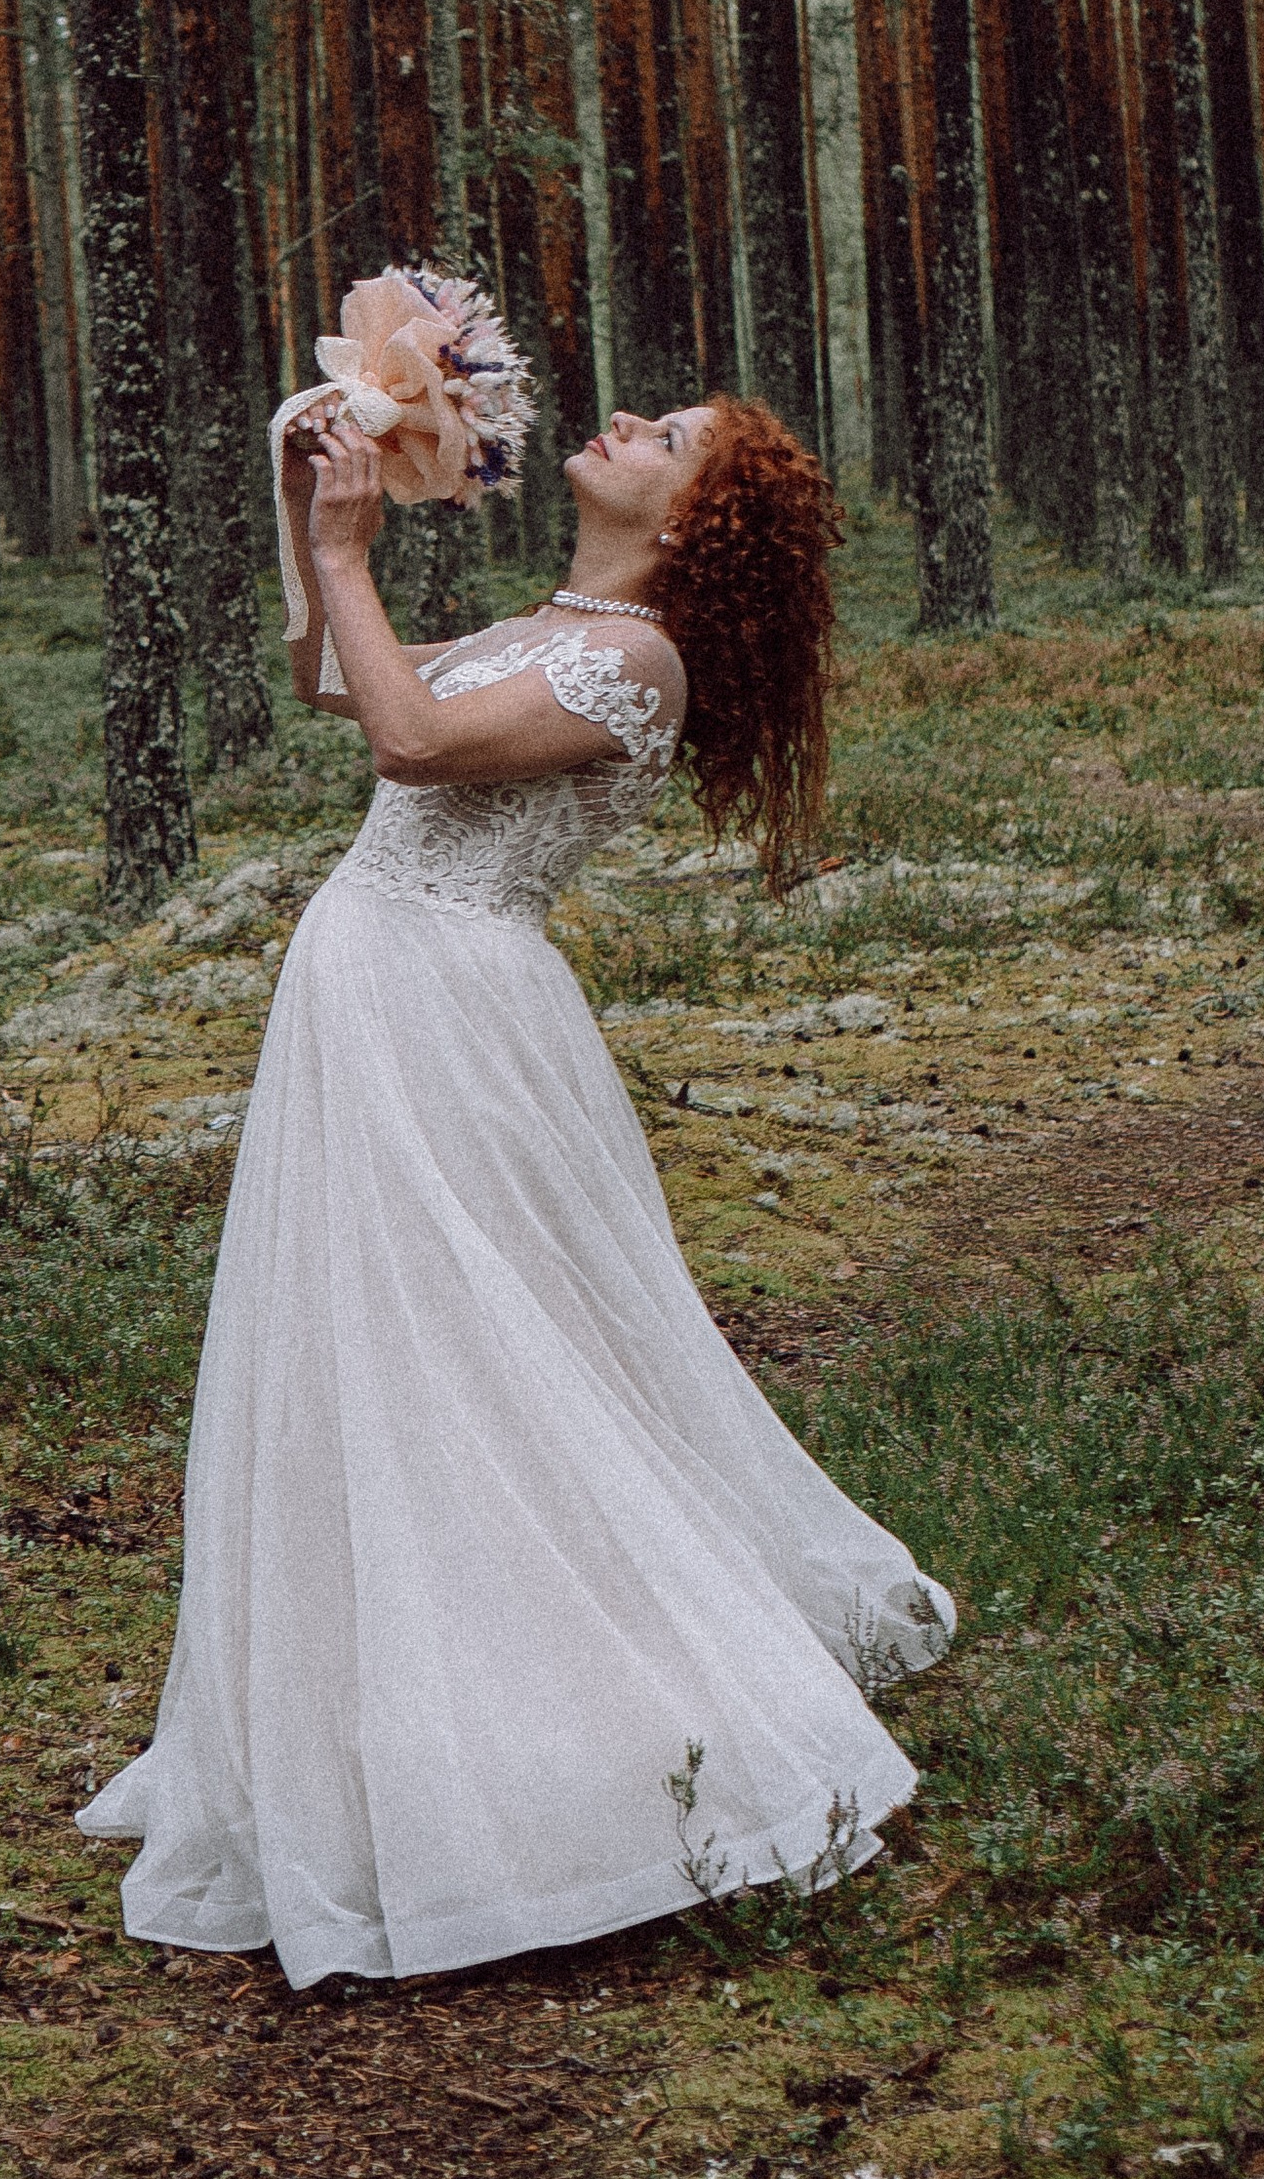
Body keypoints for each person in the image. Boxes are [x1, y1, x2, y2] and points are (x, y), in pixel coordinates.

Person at [78, 396, 954, 1989]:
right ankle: (404, 1712)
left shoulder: (639, 665)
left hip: (446, 1014)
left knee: (478, 1353)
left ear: (692, 518)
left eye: (667, 435)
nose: (626, 420)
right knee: (371, 1352)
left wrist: (354, 546)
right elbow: (336, 679)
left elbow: (412, 741)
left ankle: (569, 1740)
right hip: (374, 989)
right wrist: (306, 507)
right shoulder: (558, 621)